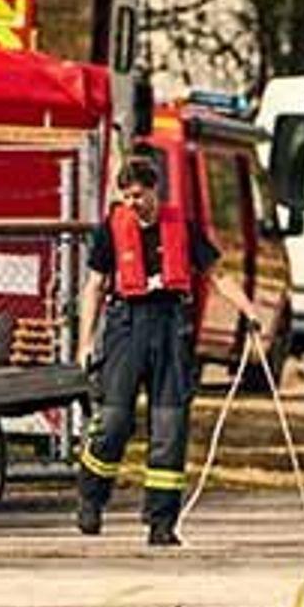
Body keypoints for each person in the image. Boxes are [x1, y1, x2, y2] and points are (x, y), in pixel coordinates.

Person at [76, 156, 220, 546]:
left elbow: (217, 276)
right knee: (113, 423)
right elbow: (94, 286)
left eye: (138, 195)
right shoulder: (111, 229)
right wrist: (85, 342)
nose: (133, 203)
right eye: (126, 197)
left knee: (169, 430)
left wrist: (249, 315)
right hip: (127, 327)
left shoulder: (182, 228)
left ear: (155, 190)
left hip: (172, 327)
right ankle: (91, 498)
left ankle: (161, 522)